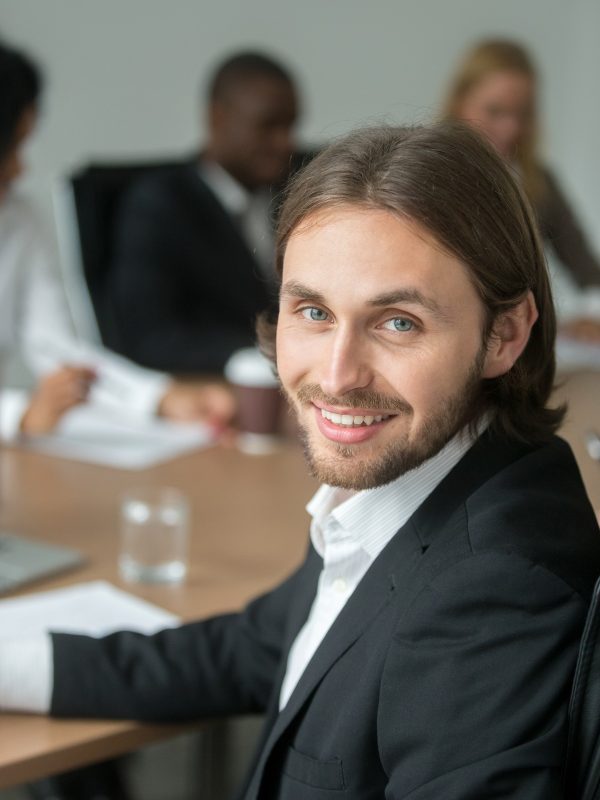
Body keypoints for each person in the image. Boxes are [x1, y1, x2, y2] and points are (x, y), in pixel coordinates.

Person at [2, 122, 600, 798]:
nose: (338, 375)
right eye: (313, 311)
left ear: (505, 334)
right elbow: (255, 648)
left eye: (398, 322)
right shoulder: (422, 477)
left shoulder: (495, 588)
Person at [0, 40, 235, 438]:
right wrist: (18, 415)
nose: (20, 168)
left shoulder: (18, 219)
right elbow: (30, 410)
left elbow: (59, 353)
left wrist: (162, 397)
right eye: (10, 148)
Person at [107, 50, 301, 373]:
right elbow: (151, 338)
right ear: (217, 118)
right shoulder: (160, 206)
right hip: (219, 389)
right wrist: (272, 353)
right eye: (268, 126)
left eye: (290, 126)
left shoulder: (296, 189)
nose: (285, 143)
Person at [441, 38, 600, 342]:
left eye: (522, 115)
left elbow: (588, 272)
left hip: (516, 343)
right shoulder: (423, 173)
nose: (509, 129)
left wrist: (592, 316)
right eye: (495, 111)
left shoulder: (537, 182)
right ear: (459, 102)